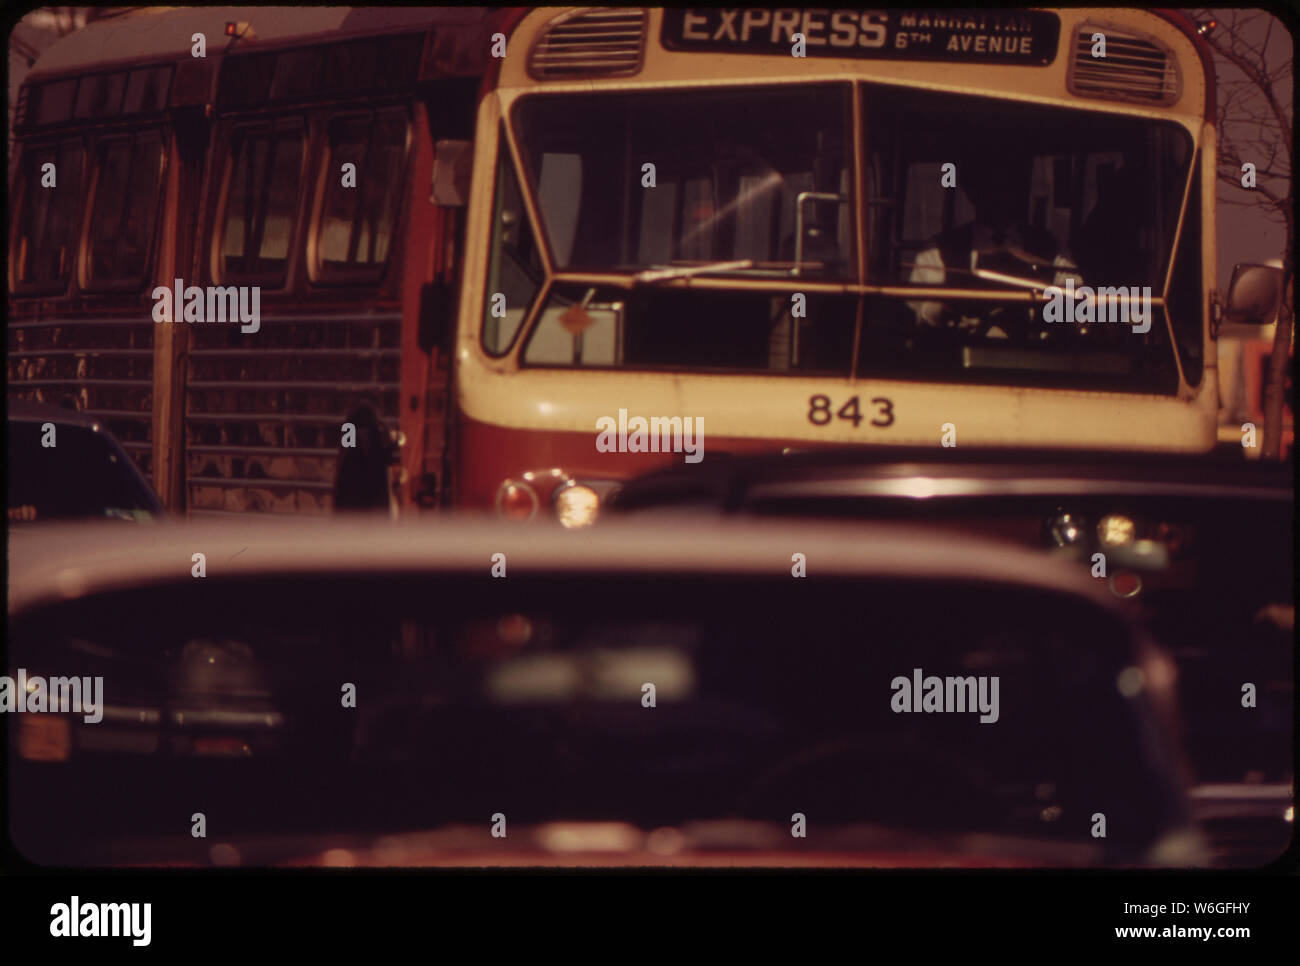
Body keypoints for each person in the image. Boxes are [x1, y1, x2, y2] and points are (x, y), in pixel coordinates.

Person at [907, 154, 1082, 337]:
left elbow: (1076, 297)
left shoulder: (1049, 247)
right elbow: (922, 310)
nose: (1000, 194)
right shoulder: (939, 250)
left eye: (1008, 183)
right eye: (989, 184)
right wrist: (946, 309)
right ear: (971, 191)